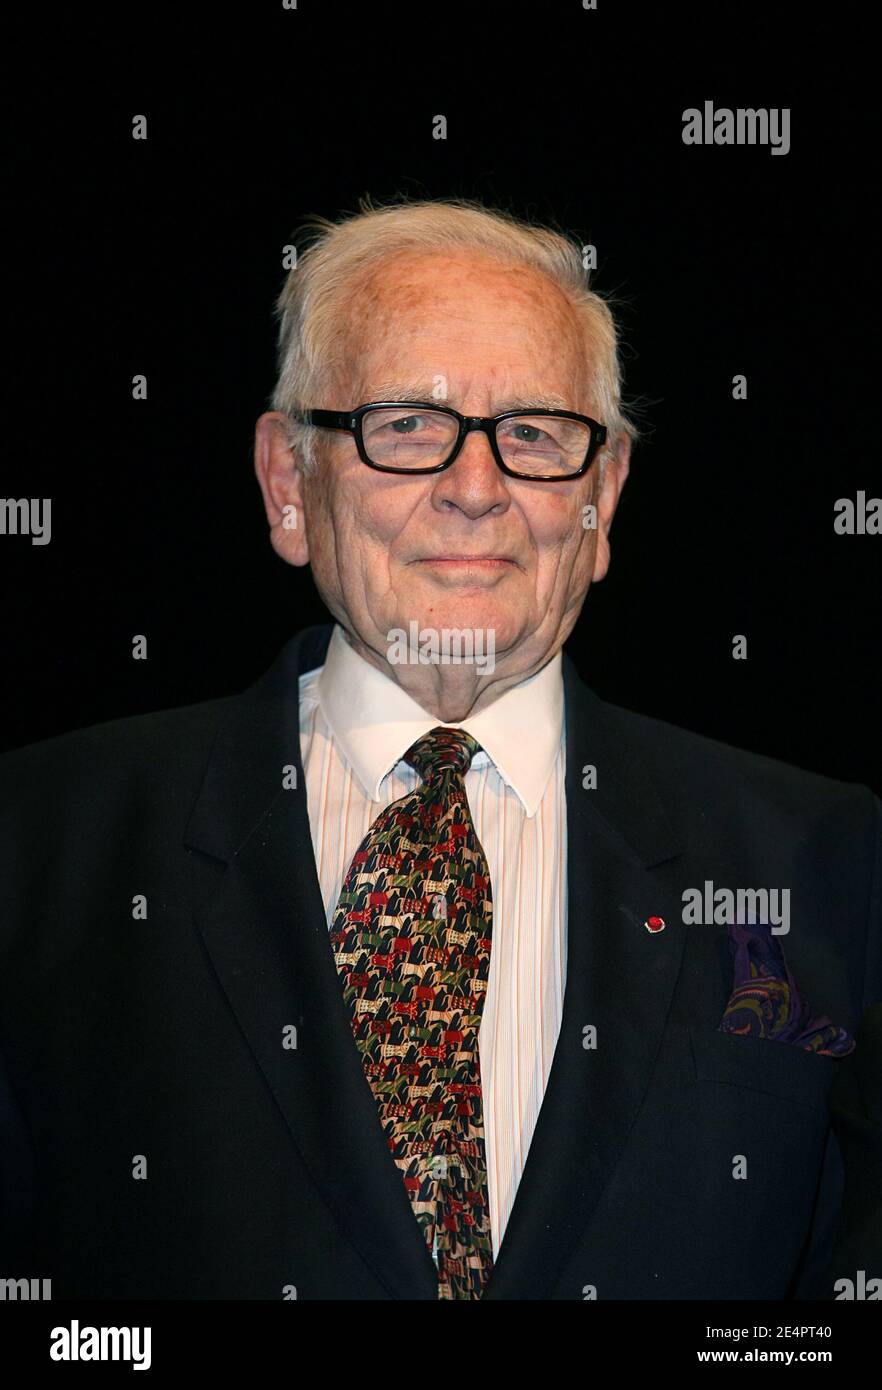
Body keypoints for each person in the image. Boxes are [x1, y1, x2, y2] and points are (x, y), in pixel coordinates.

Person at [0, 198, 878, 1300]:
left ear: (602, 499)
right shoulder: (42, 846)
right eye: (408, 422)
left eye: (535, 433)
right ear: (287, 483)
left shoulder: (823, 864)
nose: (476, 487)